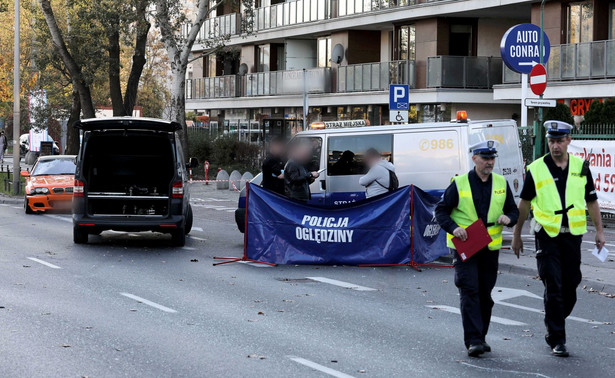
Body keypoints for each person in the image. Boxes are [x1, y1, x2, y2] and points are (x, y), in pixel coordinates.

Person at [512, 121, 605, 358]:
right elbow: (524, 203)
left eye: (559, 141)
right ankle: (557, 338)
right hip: (547, 235)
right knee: (553, 284)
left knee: (571, 284)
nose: (555, 145)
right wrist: (517, 234)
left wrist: (599, 231)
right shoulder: (536, 168)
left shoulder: (580, 166)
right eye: (551, 141)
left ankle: (553, 319)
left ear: (568, 140)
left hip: (572, 235)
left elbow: (592, 201)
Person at [435, 140, 519, 357]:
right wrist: (454, 229)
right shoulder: (460, 183)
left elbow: (513, 210)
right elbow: (441, 211)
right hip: (466, 245)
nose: (489, 162)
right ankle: (473, 340)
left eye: (492, 158)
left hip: (490, 247)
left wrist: (508, 217)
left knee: (485, 293)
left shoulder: (501, 182)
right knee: (469, 289)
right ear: (474, 159)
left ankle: (480, 336)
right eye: (485, 158)